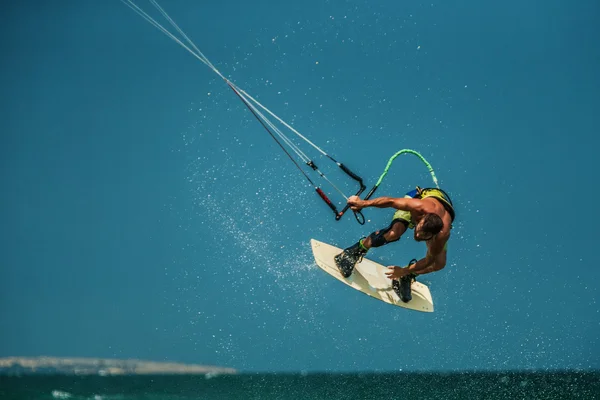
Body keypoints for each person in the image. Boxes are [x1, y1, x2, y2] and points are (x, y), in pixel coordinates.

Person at [334, 186, 455, 302]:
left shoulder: (441, 236)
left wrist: (404, 271)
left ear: (433, 236)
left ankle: (407, 276)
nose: (417, 235)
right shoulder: (419, 206)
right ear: (421, 220)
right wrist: (363, 203)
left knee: (439, 264)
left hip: (437, 221)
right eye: (418, 230)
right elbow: (391, 201)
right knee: (393, 233)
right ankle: (354, 251)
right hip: (418, 197)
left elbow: (429, 260)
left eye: (423, 236)